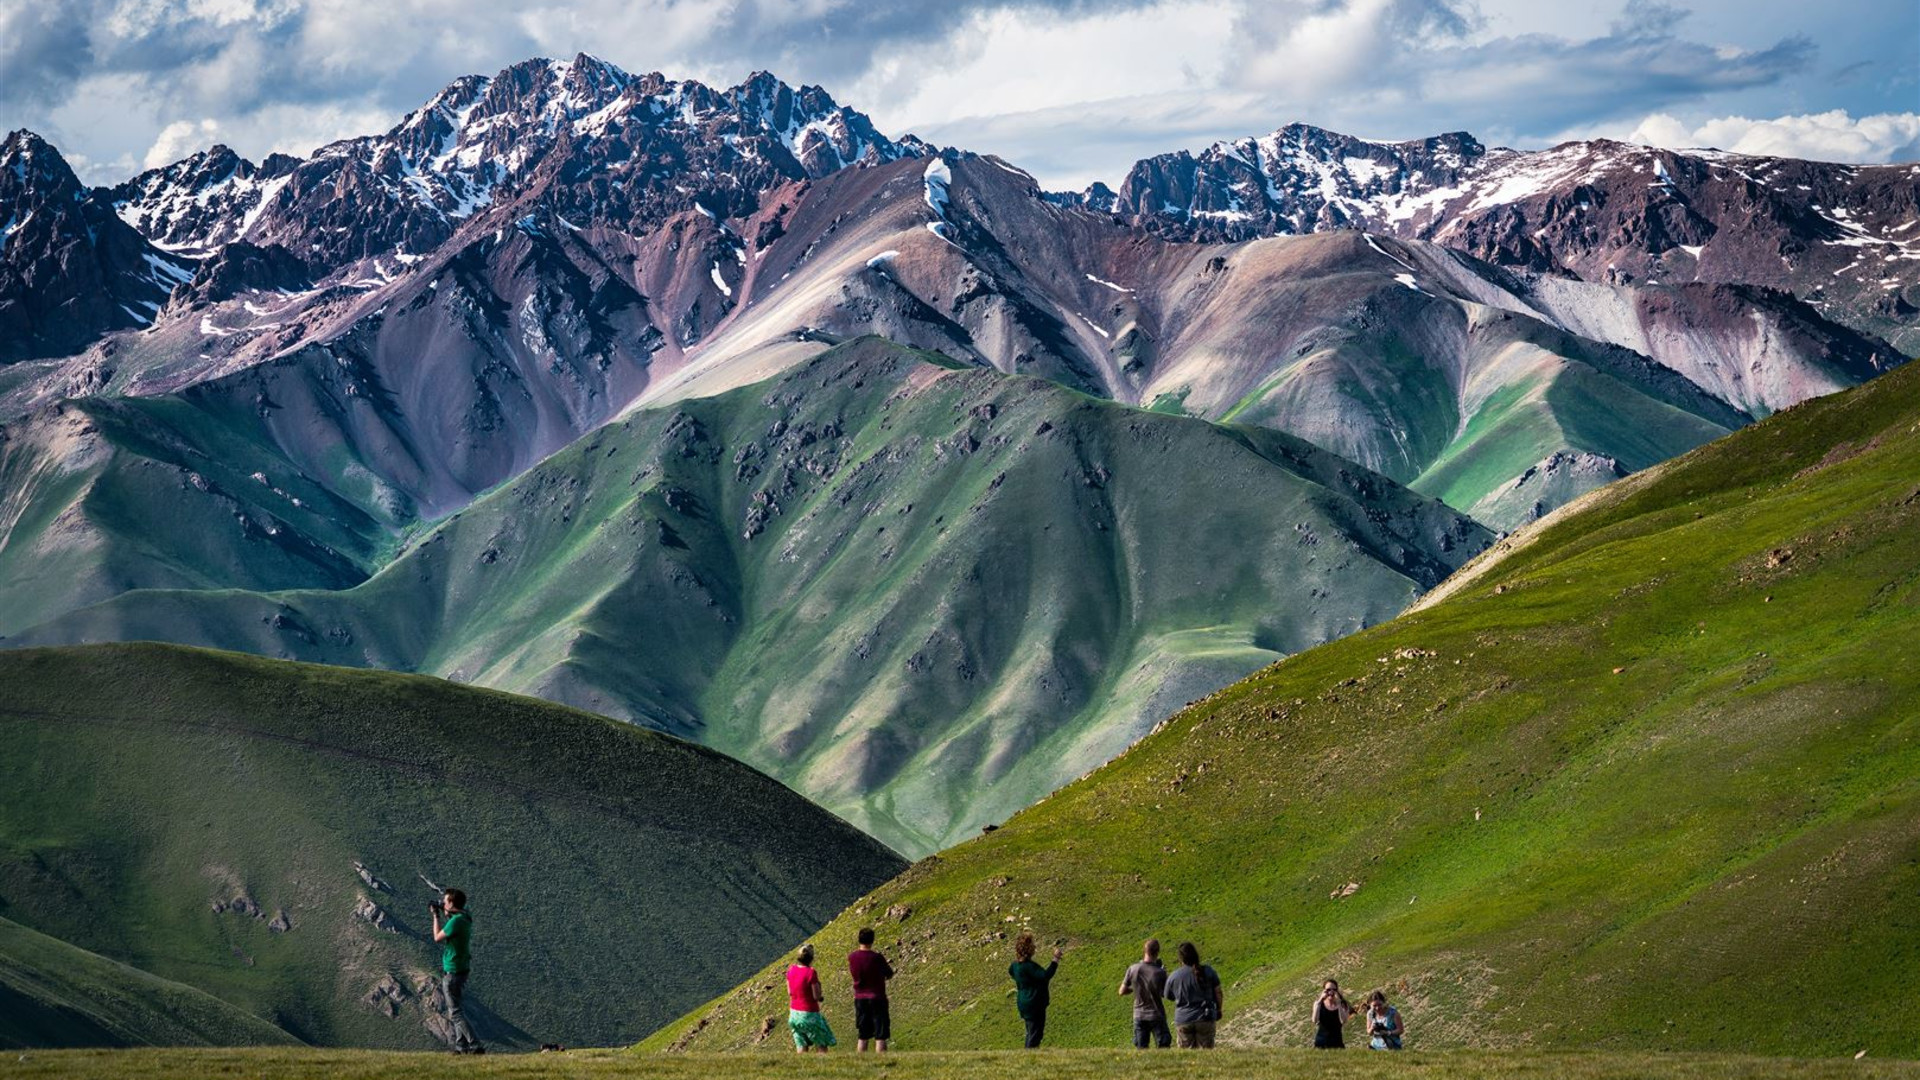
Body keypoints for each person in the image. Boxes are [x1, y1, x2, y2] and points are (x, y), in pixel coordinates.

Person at [430, 888, 483, 1054]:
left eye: (445, 901)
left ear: (451, 903)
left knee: (455, 1013)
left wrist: (436, 915)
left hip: (452, 971)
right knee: (458, 1008)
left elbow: (437, 937)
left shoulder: (456, 921)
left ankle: (475, 1045)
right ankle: (461, 1047)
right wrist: (447, 911)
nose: (442, 903)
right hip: (461, 969)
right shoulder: (465, 917)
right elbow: (456, 916)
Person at [1163, 941, 1223, 1049]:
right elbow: (1218, 992)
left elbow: (1168, 995)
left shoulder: (1174, 976)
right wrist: (1219, 1009)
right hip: (1205, 1017)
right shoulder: (1208, 971)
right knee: (1206, 1054)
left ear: (1180, 958)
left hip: (1183, 1019)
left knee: (1187, 1056)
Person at [1007, 932, 1062, 1048]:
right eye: (1032, 945)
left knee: (1030, 1032)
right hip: (1035, 1002)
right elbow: (1046, 975)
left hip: (1023, 1002)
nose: (1035, 947)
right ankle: (1029, 1058)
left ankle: (1029, 1056)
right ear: (1029, 949)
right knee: (1036, 1034)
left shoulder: (1015, 966)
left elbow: (1011, 972)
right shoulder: (1030, 967)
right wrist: (1055, 959)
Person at [848, 927, 896, 1052]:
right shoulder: (877, 957)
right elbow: (889, 973)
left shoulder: (852, 957)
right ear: (872, 940)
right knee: (880, 1034)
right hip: (877, 997)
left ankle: (860, 1063)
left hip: (860, 998)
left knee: (863, 1034)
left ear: (859, 939)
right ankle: (881, 1062)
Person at [1118, 938, 1171, 1049]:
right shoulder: (1159, 972)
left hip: (1139, 1015)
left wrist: (1135, 988)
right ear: (1157, 952)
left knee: (1141, 1049)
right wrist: (1165, 975)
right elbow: (1166, 993)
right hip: (1156, 1014)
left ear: (1145, 951)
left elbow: (1121, 991)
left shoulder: (1132, 969)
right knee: (1163, 1048)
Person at [786, 944, 837, 1053]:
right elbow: (816, 996)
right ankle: (821, 1068)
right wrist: (820, 994)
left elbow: (790, 992)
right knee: (821, 1044)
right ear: (811, 959)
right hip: (809, 1014)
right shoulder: (811, 973)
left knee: (801, 1045)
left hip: (794, 1014)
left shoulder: (791, 970)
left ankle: (801, 1068)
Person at [1313, 979, 1353, 1049]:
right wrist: (1320, 1001)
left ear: (1337, 991)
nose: (1331, 992)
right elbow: (1314, 1020)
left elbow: (1343, 1021)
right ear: (1324, 991)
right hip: (1321, 1042)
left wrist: (1339, 1004)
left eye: (1334, 990)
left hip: (1336, 1043)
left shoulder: (1343, 1004)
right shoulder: (1318, 1003)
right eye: (1328, 990)